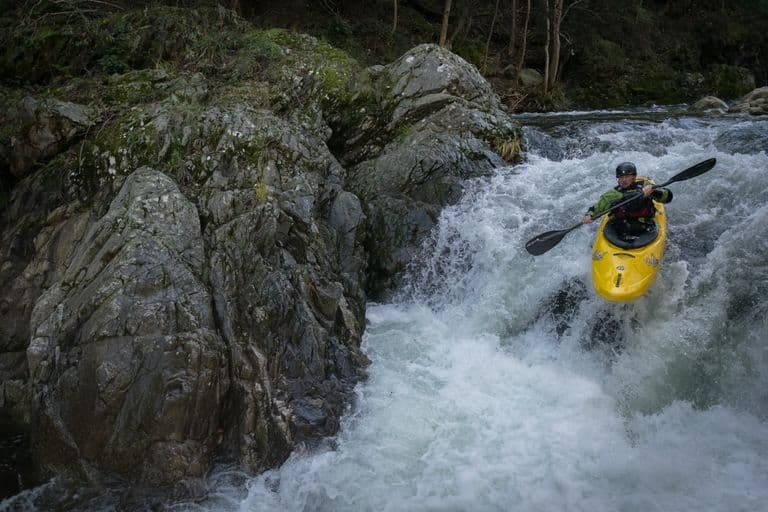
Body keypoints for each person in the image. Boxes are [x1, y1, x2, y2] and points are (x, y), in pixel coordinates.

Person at [581, 162, 673, 239]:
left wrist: (654, 192)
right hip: (622, 227)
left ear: (634, 177)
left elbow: (668, 197)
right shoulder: (613, 194)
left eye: (627, 176)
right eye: (621, 177)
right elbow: (597, 207)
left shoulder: (646, 185)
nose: (623, 180)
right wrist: (589, 215)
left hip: (645, 225)